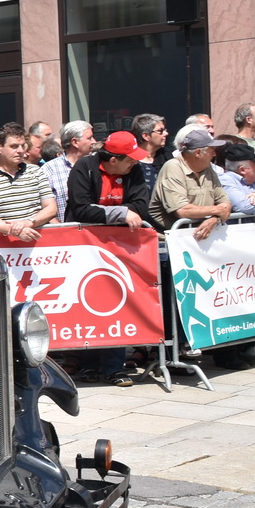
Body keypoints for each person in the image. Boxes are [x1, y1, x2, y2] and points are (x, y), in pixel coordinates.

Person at [64, 131, 152, 386]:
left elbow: (141, 206)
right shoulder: (84, 168)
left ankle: (115, 368)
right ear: (113, 160)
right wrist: (121, 213)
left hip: (120, 245)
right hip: (85, 244)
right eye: (130, 159)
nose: (135, 163)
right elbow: (81, 208)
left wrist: (110, 212)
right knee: (87, 302)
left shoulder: (133, 170)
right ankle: (89, 365)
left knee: (118, 301)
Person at [0, 122, 56, 243]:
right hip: (3, 246)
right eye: (14, 146)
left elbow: (51, 208)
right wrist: (14, 230)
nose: (21, 151)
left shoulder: (36, 171)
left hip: (38, 245)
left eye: (22, 146)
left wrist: (28, 223)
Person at [147, 127, 231, 240]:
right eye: (211, 150)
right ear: (198, 153)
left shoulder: (207, 168)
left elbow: (225, 203)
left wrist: (215, 219)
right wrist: (217, 210)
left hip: (200, 237)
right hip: (172, 240)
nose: (214, 154)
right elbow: (182, 210)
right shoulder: (173, 167)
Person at [42, 120, 94, 222]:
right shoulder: (50, 169)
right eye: (89, 138)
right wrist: (59, 228)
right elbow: (42, 206)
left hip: (95, 230)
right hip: (63, 229)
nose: (94, 141)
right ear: (75, 142)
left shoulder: (96, 165)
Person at [132, 113, 170, 189]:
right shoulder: (130, 161)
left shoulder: (167, 156)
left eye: (165, 130)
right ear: (146, 136)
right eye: (160, 131)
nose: (166, 133)